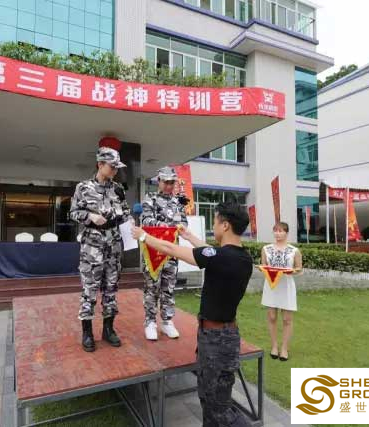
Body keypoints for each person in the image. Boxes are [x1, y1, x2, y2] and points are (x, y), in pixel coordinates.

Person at [132, 202, 253, 427]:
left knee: (218, 409)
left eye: (215, 221)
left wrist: (144, 236)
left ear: (225, 225)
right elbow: (212, 253)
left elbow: (170, 249)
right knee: (211, 400)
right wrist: (189, 236)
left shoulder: (220, 257)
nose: (213, 226)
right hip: (225, 337)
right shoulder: (242, 258)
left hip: (216, 341)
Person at [70, 146, 130, 352]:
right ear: (100, 164)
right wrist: (90, 216)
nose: (115, 170)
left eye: (117, 167)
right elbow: (73, 212)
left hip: (113, 245)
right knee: (89, 290)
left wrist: (128, 221)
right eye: (112, 166)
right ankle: (87, 332)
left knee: (111, 288)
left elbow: (125, 214)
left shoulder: (118, 189)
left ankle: (108, 329)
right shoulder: (83, 187)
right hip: (92, 247)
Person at [140, 166, 188, 340]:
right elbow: (146, 221)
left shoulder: (178, 203)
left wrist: (177, 227)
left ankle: (167, 321)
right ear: (158, 181)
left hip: (172, 253)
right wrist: (169, 226)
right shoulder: (150, 200)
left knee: (169, 288)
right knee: (152, 288)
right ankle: (150, 322)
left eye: (171, 182)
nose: (169, 185)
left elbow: (184, 224)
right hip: (153, 252)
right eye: (166, 182)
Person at [260, 222, 303, 362]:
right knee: (272, 317)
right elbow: (264, 266)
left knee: (287, 319)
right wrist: (262, 268)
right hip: (271, 285)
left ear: (286, 233)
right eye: (275, 231)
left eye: (281, 231)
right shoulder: (266, 249)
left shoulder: (294, 251)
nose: (278, 233)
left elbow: (299, 268)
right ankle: (274, 346)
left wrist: (292, 271)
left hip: (286, 286)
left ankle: (284, 348)